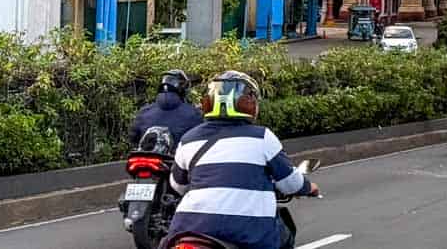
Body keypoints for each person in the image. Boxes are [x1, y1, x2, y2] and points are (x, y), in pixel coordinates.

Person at [164, 71, 319, 249]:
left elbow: (178, 185)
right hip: (246, 229)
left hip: (188, 227)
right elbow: (290, 184)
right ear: (250, 103)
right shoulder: (263, 137)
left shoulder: (188, 139)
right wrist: (309, 187)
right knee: (284, 237)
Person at [129, 70, 203, 147]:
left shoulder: (144, 111)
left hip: (145, 155)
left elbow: (133, 138)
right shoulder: (194, 114)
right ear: (183, 89)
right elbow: (199, 140)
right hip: (177, 157)